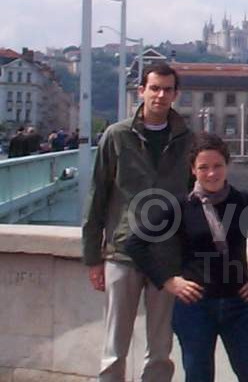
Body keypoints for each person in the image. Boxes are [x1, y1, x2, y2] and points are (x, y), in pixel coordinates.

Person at [126, 132, 248, 382]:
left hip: (238, 303)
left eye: (217, 166)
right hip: (195, 306)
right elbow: (135, 244)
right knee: (198, 376)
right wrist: (168, 281)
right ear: (193, 170)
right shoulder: (181, 206)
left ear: (227, 165)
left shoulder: (244, 201)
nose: (211, 174)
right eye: (203, 168)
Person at [82, 63, 194, 382]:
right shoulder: (117, 136)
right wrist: (92, 257)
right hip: (122, 253)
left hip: (168, 257)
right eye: (154, 88)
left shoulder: (188, 140)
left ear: (175, 94)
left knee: (160, 349)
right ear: (141, 91)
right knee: (114, 346)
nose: (160, 95)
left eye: (167, 89)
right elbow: (97, 197)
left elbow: (195, 201)